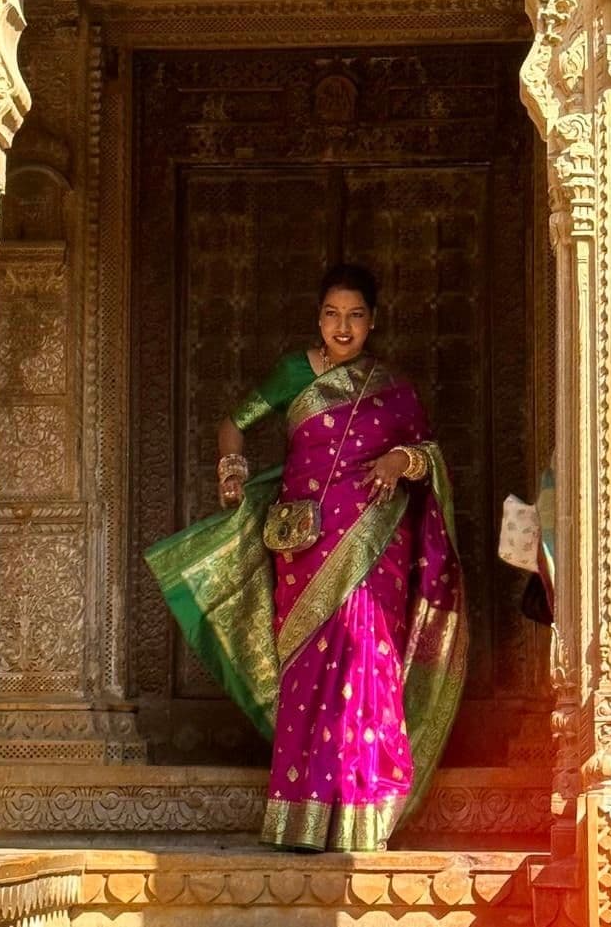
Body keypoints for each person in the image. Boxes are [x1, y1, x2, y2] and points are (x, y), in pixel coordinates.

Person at [146, 263, 466, 851]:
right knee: (309, 672)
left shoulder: (393, 387)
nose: (343, 328)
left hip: (375, 546)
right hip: (305, 544)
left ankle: (363, 812)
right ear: (318, 318)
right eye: (331, 314)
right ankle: (302, 815)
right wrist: (232, 474)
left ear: (373, 320)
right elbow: (233, 424)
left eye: (355, 315)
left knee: (366, 657)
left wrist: (402, 463)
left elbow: (430, 456)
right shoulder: (294, 372)